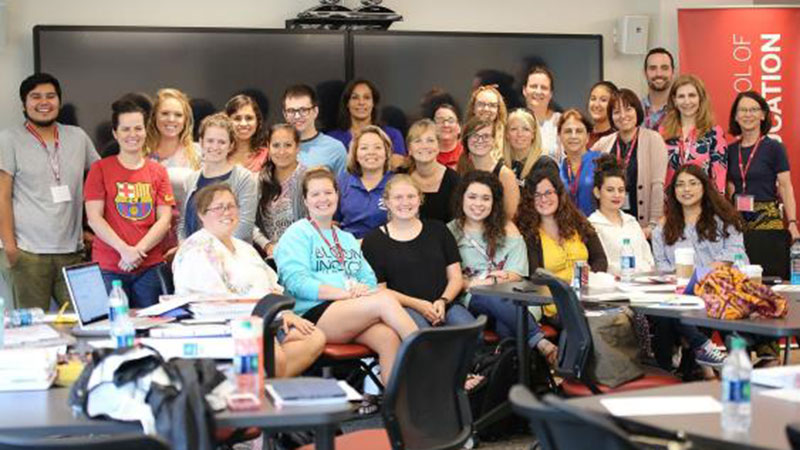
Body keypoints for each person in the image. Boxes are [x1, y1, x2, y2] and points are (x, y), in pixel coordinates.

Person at [275, 168, 419, 384]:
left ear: (337, 196)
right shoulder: (298, 232)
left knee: (388, 338)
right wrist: (343, 294)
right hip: (313, 313)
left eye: (328, 192)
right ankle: (431, 357)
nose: (323, 199)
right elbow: (296, 282)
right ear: (305, 200)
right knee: (385, 300)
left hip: (351, 310)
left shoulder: (347, 238)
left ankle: (398, 408)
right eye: (315, 194)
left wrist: (361, 290)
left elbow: (369, 280)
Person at [173, 184, 324, 378]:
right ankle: (265, 385)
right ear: (202, 215)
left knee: (314, 337)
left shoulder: (245, 248)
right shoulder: (196, 249)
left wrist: (283, 312)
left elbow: (271, 285)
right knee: (275, 359)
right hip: (228, 326)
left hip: (268, 321)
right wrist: (265, 320)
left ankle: (267, 383)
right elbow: (213, 305)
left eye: (231, 206)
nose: (227, 212)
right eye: (218, 207)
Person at [0, 73, 99, 310]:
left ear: (59, 101)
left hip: (74, 253)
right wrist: (11, 247)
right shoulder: (8, 139)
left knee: (90, 319)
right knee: (33, 330)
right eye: (35, 97)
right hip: (28, 253)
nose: (44, 102)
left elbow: (100, 181)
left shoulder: (78, 137)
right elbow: (2, 195)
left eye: (50, 96)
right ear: (24, 104)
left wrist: (91, 229)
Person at [447, 171, 558, 365]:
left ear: (494, 202)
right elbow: (450, 277)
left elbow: (516, 273)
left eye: (485, 198)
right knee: (487, 294)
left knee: (506, 329)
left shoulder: (507, 229)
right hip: (473, 299)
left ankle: (508, 387)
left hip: (513, 298)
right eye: (472, 197)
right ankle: (540, 342)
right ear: (462, 198)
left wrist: (492, 281)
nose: (478, 204)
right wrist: (477, 283)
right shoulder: (450, 232)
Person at [84, 99, 175, 308]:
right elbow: (94, 218)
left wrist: (138, 251)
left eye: (138, 128)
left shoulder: (158, 171)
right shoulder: (100, 169)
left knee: (152, 326)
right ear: (115, 133)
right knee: (111, 328)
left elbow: (165, 219)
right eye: (125, 129)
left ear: (146, 131)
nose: (132, 134)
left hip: (150, 266)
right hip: (109, 266)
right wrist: (124, 250)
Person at [651, 164, 741, 369]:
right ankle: (702, 351)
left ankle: (708, 361)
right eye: (680, 185)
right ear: (673, 192)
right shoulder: (662, 228)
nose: (686, 189)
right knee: (668, 313)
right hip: (680, 293)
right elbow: (662, 266)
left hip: (719, 289)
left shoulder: (725, 220)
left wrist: (700, 276)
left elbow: (734, 254)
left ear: (704, 187)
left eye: (693, 183)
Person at [362, 175, 474, 329]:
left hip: (444, 303)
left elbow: (456, 277)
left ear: (420, 199)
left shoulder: (439, 229)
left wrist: (443, 301)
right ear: (387, 202)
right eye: (398, 197)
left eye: (411, 196)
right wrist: (419, 305)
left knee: (470, 331)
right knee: (424, 339)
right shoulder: (374, 240)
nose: (405, 202)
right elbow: (380, 290)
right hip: (403, 308)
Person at [516, 165, 607, 317]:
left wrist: (589, 277)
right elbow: (534, 276)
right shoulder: (528, 233)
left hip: (589, 296)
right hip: (556, 304)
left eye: (548, 193)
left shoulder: (578, 221)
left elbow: (600, 258)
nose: (543, 199)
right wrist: (569, 283)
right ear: (530, 199)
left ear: (559, 194)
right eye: (537, 195)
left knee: (627, 317)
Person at [726, 91, 798, 279]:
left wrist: (792, 222)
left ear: (763, 115)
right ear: (735, 116)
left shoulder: (774, 148)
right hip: (738, 221)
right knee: (740, 277)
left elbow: (785, 186)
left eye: (753, 110)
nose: (747, 114)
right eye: (742, 110)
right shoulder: (729, 150)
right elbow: (730, 187)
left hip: (767, 220)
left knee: (768, 276)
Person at [593, 88, 668, 237]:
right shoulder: (603, 144)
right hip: (611, 229)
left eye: (628, 109)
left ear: (637, 111)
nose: (623, 116)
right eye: (616, 112)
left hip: (643, 228)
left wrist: (652, 226)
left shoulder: (653, 139)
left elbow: (658, 186)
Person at [178, 113, 257, 243]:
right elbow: (182, 225)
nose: (215, 147)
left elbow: (244, 226)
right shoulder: (191, 180)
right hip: (193, 256)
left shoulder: (244, 178)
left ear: (231, 145)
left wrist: (209, 250)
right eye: (210, 141)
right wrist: (184, 247)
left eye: (222, 142)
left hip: (229, 257)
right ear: (201, 142)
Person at [588, 154, 655, 276]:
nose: (617, 195)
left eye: (621, 190)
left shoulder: (632, 222)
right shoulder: (592, 225)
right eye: (610, 190)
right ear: (597, 192)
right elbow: (601, 264)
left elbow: (648, 258)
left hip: (643, 286)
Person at [660, 74, 727, 194]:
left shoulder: (714, 133)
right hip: (670, 203)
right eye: (681, 96)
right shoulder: (663, 132)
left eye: (692, 95)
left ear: (700, 99)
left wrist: (716, 208)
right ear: (674, 101)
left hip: (702, 204)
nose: (687, 101)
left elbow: (719, 175)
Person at [253, 124, 307, 259]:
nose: (281, 152)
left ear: (297, 147)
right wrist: (267, 245)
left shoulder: (309, 178)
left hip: (303, 252)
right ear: (268, 147)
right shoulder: (258, 180)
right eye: (276, 145)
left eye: (288, 145)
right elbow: (248, 221)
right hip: (269, 256)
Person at [329, 79, 406, 170]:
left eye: (367, 97)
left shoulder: (393, 135)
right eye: (355, 98)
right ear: (347, 103)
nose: (361, 103)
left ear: (373, 103)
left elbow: (397, 167)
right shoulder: (332, 139)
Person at [335, 125, 394, 239]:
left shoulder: (397, 184)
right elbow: (332, 221)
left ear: (386, 153)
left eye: (377, 147)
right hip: (349, 248)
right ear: (355, 154)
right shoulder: (341, 183)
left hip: (387, 247)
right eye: (364, 148)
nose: (371, 152)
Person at [456, 118, 520, 219]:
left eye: (486, 136)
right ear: (466, 140)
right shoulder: (459, 169)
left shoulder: (505, 175)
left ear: (494, 140)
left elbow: (510, 215)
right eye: (475, 135)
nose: (480, 140)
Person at [282, 84, 347, 176]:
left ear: (315, 111)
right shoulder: (277, 149)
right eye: (291, 111)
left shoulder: (335, 148)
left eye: (303, 110)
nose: (297, 116)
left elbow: (343, 188)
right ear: (285, 115)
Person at [405, 119, 460, 223]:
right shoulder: (400, 178)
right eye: (418, 141)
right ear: (409, 149)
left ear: (438, 146)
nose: (424, 146)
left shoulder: (454, 181)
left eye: (430, 140)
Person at [557, 109, 602, 216]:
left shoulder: (601, 162)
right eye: (568, 131)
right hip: (567, 229)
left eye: (579, 131)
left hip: (598, 229)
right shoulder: (557, 170)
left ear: (587, 137)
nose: (573, 136)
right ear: (559, 137)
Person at [523, 66, 562, 162]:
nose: (538, 91)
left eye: (544, 88)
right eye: (533, 86)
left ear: (551, 94)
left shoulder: (560, 121)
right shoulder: (513, 121)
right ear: (524, 90)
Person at [224, 94, 269, 173]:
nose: (243, 124)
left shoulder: (268, 156)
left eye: (249, 118)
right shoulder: (219, 155)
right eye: (237, 118)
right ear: (227, 122)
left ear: (258, 122)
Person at [464, 85, 507, 159]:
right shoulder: (464, 136)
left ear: (498, 110)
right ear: (473, 108)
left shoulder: (507, 138)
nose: (486, 109)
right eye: (481, 104)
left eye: (492, 105)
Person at [503, 108, 544, 183]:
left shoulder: (545, 165)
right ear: (506, 134)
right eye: (514, 129)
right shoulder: (501, 165)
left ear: (533, 134)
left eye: (526, 129)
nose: (520, 134)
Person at [641, 47, 675, 131]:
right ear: (645, 73)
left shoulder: (682, 110)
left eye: (664, 68)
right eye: (653, 68)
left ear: (673, 72)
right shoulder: (634, 110)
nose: (659, 74)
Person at [586, 81, 618, 148]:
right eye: (593, 99)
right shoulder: (583, 135)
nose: (596, 105)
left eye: (603, 100)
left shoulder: (617, 138)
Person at [432, 103, 463, 170]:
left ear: (459, 127)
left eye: (451, 120)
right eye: (440, 120)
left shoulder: (467, 156)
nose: (446, 125)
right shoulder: (425, 155)